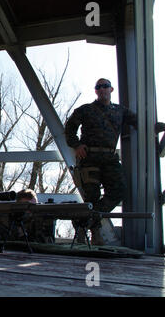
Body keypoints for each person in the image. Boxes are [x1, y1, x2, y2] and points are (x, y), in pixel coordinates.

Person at [65, 78, 137, 245]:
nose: (102, 89)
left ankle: (86, 220)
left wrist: (158, 127)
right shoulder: (86, 110)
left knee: (119, 190)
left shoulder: (120, 111)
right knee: (92, 196)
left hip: (110, 158)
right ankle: (95, 234)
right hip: (89, 158)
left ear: (111, 89)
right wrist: (77, 145)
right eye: (99, 87)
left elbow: (139, 122)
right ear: (96, 91)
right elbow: (69, 128)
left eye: (105, 86)